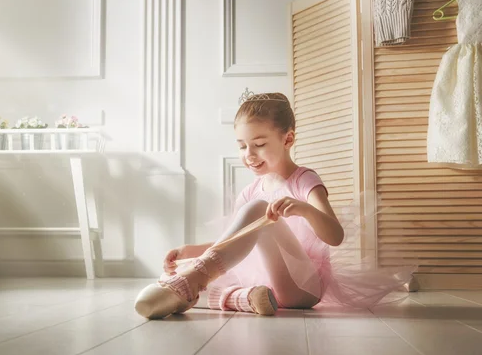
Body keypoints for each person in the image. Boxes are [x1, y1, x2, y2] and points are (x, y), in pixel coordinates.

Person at [134, 91, 416, 319]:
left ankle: (196, 279)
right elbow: (234, 241)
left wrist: (304, 208)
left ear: (288, 139)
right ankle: (244, 298)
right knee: (182, 277)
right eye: (242, 146)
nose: (249, 155)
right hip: (269, 284)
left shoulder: (303, 180)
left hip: (303, 288)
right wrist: (189, 250)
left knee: (258, 211)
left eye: (258, 144)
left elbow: (336, 236)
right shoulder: (252, 190)